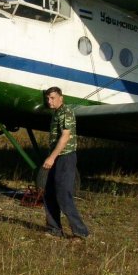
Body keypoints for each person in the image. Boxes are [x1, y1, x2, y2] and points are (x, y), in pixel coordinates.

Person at [42, 86, 89, 240]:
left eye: (53, 98)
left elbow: (65, 136)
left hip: (65, 157)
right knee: (49, 193)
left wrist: (51, 157)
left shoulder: (66, 112)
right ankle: (54, 229)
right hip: (57, 157)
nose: (49, 101)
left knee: (63, 195)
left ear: (61, 98)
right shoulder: (56, 113)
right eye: (48, 98)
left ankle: (80, 232)